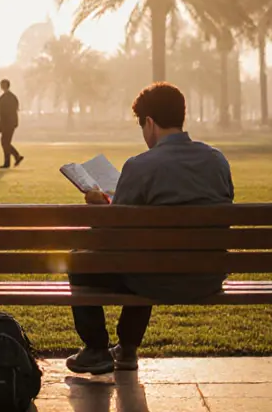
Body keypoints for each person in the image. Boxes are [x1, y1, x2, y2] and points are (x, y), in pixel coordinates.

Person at [66, 82, 234, 375]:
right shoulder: (217, 160)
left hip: (155, 277)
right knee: (147, 253)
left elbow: (113, 233)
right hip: (207, 276)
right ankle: (127, 349)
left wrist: (98, 205)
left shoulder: (140, 165)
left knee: (80, 260)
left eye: (143, 127)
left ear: (150, 123)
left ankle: (96, 349)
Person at [0, 79, 24, 169]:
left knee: (5, 142)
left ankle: (14, 158)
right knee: (5, 142)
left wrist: (5, 124)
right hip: (8, 123)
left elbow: (7, 112)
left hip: (8, 123)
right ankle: (12, 159)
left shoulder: (8, 97)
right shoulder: (10, 97)